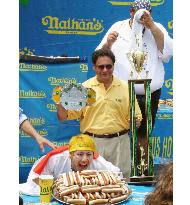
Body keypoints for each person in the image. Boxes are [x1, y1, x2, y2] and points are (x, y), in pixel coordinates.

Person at [56, 48, 142, 181]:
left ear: (113, 66)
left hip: (120, 142)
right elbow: (63, 116)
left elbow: (136, 118)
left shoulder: (126, 88)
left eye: (109, 66)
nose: (105, 70)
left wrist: (136, 122)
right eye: (101, 67)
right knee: (91, 183)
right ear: (94, 67)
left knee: (121, 182)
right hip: (92, 144)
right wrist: (59, 101)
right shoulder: (84, 88)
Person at [96, 0, 173, 136]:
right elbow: (99, 57)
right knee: (118, 131)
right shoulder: (118, 27)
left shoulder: (157, 27)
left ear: (150, 13)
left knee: (144, 135)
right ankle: (119, 157)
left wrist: (152, 27)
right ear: (131, 12)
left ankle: (142, 158)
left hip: (149, 92)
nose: (141, 16)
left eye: (145, 13)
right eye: (136, 12)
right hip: (121, 92)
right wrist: (108, 43)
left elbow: (167, 53)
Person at [19, 134, 121, 195]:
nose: (85, 159)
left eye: (88, 154)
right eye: (80, 154)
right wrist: (56, 188)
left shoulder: (96, 160)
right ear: (71, 155)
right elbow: (35, 178)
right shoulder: (56, 158)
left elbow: (117, 174)